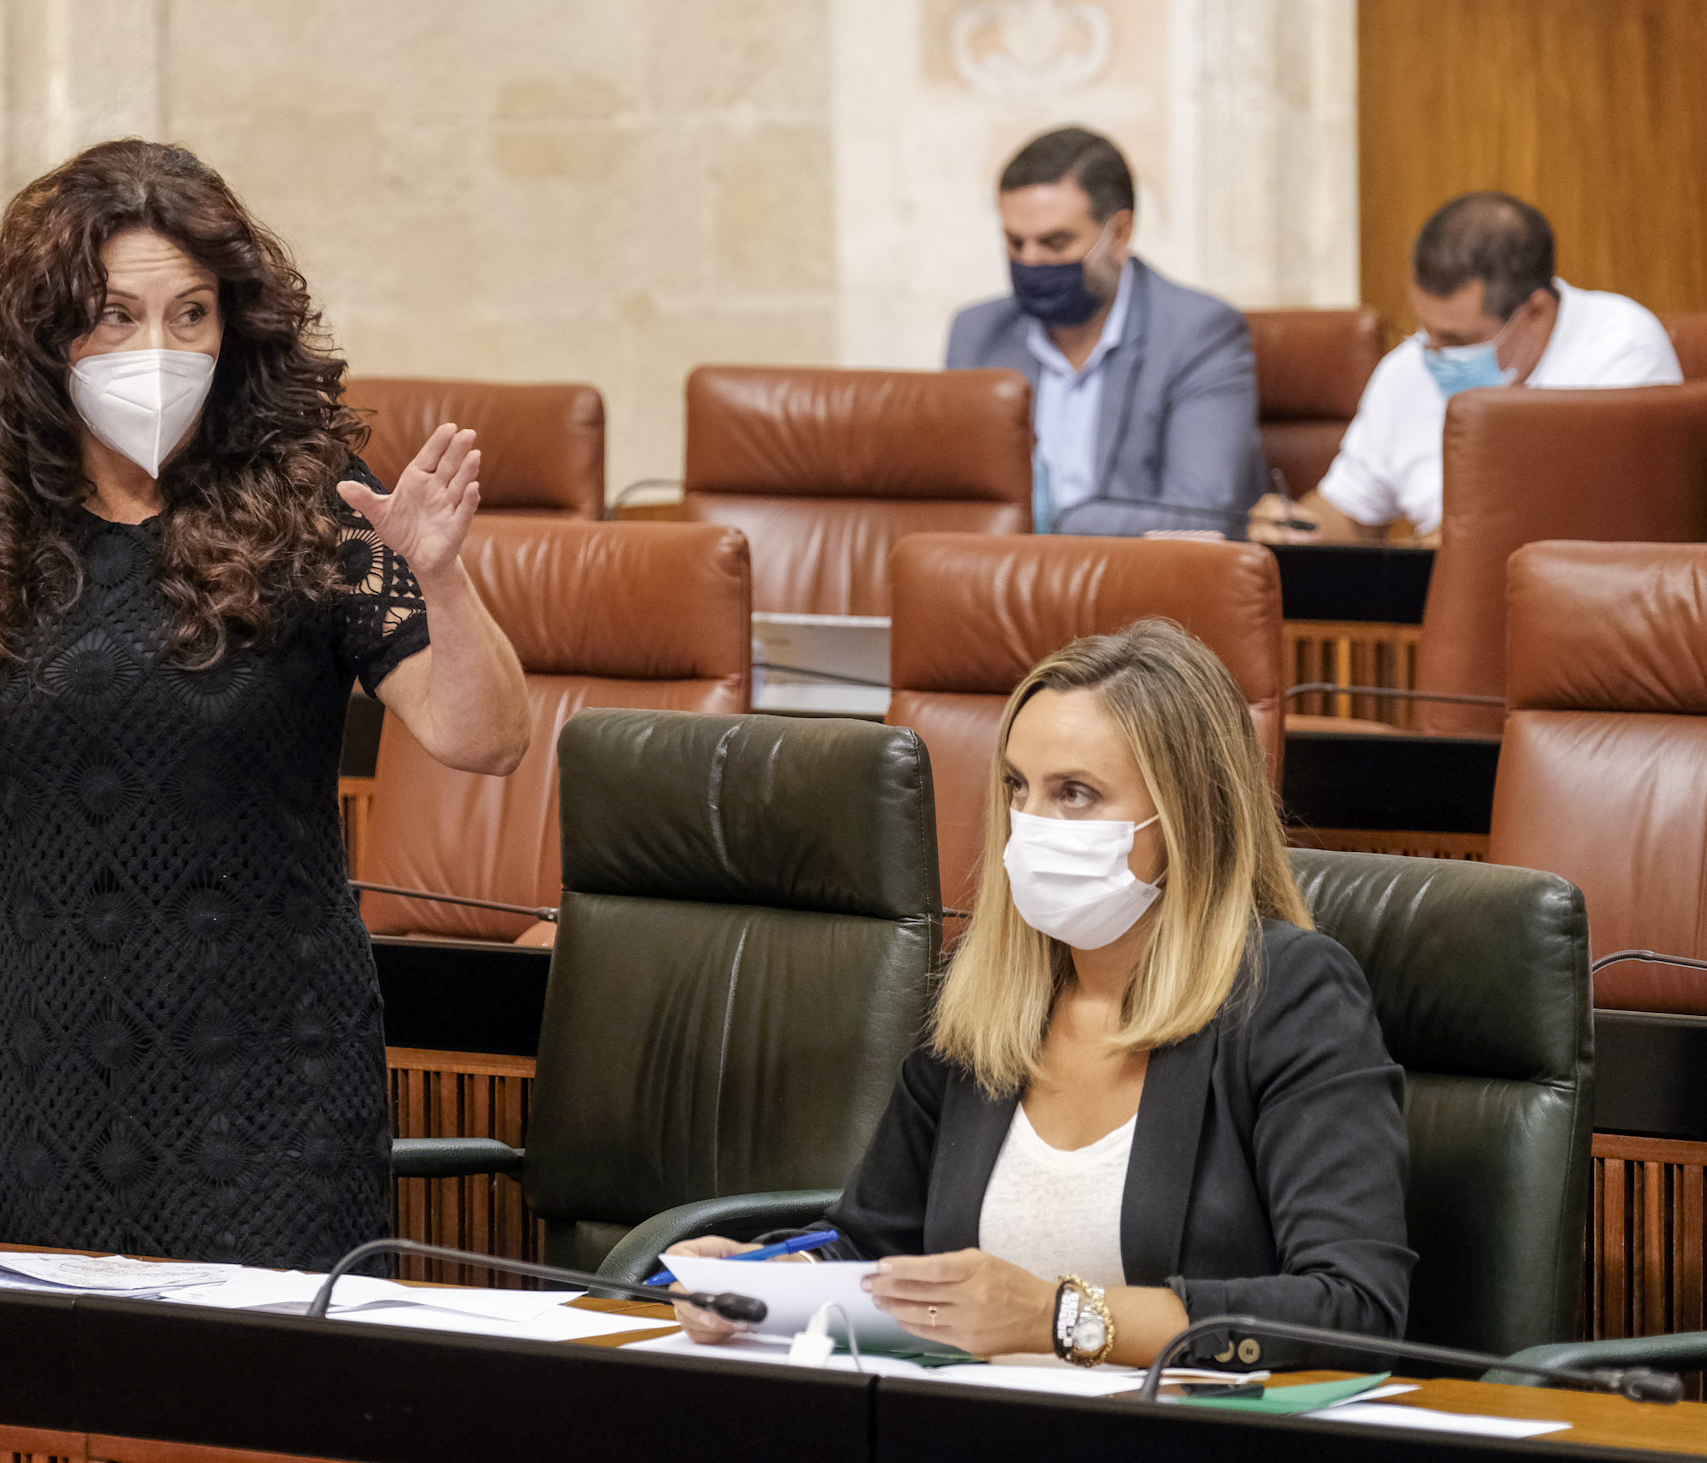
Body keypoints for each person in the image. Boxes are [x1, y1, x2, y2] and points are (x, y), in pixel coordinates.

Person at [0, 141, 529, 1270]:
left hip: (271, 1084)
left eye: (190, 315)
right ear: (45, 333)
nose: (154, 351)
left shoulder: (317, 514)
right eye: (113, 316)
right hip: (44, 1067)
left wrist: (441, 579)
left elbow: (485, 738)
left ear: (232, 329)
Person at [667, 620, 1412, 1366]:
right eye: (1019, 787)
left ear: (1190, 816)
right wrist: (765, 1286)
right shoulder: (982, 994)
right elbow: (876, 1243)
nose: (1032, 824)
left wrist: (1060, 1315)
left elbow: (1352, 1306)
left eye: (1076, 794)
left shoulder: (1290, 995)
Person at [1252, 192, 1682, 546]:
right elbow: (1351, 512)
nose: (1433, 354)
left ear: (1535, 311)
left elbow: (1599, 525)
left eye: (1456, 341)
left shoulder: (1621, 347)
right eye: (1425, 330)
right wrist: (1300, 527)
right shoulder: (1405, 369)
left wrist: (1454, 550)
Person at [946, 128, 1263, 539]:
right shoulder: (978, 333)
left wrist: (1050, 522)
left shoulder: (1198, 334)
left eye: (1054, 242)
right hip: (1004, 588)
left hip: (1141, 591)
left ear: (1119, 234)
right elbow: (958, 504)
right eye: (1014, 242)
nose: (1031, 261)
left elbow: (1200, 516)